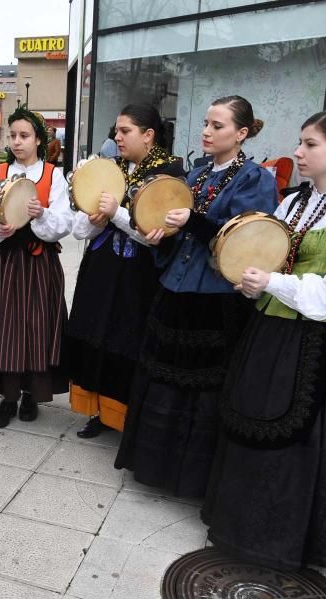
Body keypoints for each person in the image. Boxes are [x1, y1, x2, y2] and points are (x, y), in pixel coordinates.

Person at [203, 109, 326, 575]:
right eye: (300, 143)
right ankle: (242, 528)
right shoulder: (294, 202)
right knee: (251, 416)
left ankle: (287, 542)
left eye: (310, 145)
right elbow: (267, 258)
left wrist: (273, 284)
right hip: (271, 329)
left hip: (319, 342)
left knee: (303, 439)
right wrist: (250, 281)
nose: (298, 153)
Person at [114, 94, 278, 497]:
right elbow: (176, 231)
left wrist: (193, 222)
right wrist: (161, 237)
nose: (206, 131)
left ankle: (191, 476)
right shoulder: (197, 175)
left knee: (200, 389)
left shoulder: (255, 180)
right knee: (163, 379)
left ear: (241, 133)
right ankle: (157, 467)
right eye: (206, 123)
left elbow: (245, 243)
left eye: (217, 126)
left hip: (215, 296)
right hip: (175, 287)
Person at [67, 103, 185, 439]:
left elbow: (156, 237)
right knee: (97, 335)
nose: (116, 137)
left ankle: (129, 415)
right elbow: (79, 230)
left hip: (139, 276)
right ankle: (101, 412)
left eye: (125, 131)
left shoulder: (169, 175)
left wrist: (116, 214)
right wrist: (94, 219)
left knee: (128, 341)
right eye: (116, 131)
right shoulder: (110, 170)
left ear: (148, 135)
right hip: (103, 269)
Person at [0, 107, 72, 428]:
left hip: (37, 263)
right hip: (1, 262)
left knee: (34, 328)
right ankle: (7, 397)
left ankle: (30, 393)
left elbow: (65, 222)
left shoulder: (53, 176)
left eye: (24, 136)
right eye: (12, 135)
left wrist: (41, 215)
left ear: (39, 139)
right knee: (2, 328)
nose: (17, 142)